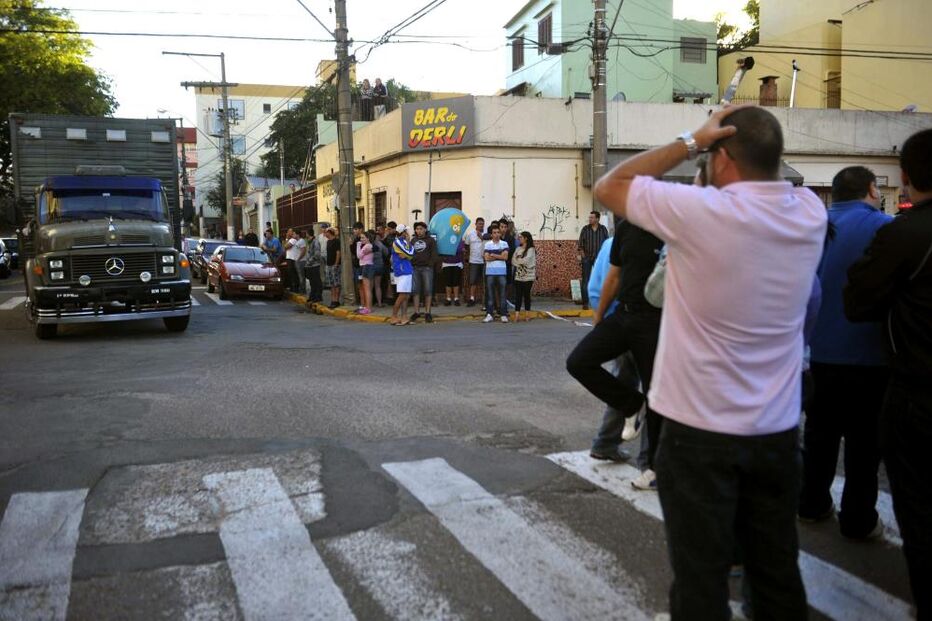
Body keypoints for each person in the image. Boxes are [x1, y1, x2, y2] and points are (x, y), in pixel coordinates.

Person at [594, 105, 826, 620]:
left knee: (700, 581)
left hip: (697, 434)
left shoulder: (699, 214)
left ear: (721, 158)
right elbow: (771, 187)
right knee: (777, 574)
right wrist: (712, 160)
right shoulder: (810, 212)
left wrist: (691, 141)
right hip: (776, 433)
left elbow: (610, 185)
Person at [845, 128, 932, 619]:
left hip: (916, 392)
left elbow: (857, 303)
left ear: (906, 176)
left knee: (918, 507)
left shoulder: (902, 233)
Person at [798, 166, 892, 539]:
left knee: (818, 434)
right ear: (871, 189)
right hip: (869, 355)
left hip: (815, 352)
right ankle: (857, 520)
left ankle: (811, 504)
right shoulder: (884, 227)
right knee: (864, 444)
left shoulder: (811, 227)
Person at [565, 215, 664, 478]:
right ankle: (630, 411)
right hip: (620, 316)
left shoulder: (670, 226)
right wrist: (599, 322)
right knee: (580, 362)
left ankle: (649, 465)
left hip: (653, 322)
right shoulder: (625, 229)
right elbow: (611, 277)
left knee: (652, 392)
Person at [577, 211, 609, 310]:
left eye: (592, 217)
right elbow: (580, 245)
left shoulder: (603, 229)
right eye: (589, 217)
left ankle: (602, 301)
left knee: (601, 279)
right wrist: (583, 257)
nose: (590, 219)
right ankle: (585, 303)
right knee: (585, 280)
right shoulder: (585, 229)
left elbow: (606, 243)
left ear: (597, 219)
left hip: (599, 259)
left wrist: (604, 257)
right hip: (587, 258)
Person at [410, 221, 438, 323]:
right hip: (415, 267)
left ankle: (427, 312)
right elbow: (410, 253)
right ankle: (416, 312)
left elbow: (434, 254)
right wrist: (412, 262)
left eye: (421, 229)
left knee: (428, 290)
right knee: (415, 290)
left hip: (427, 268)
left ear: (425, 230)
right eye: (417, 229)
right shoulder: (413, 240)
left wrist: (430, 264)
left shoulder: (430, 240)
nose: (419, 231)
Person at [483, 223, 510, 323]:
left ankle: (503, 314)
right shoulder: (487, 244)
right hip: (490, 272)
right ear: (491, 234)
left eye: (498, 232)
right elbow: (486, 258)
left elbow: (505, 257)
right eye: (494, 233)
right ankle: (489, 314)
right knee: (490, 294)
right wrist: (499, 255)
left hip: (501, 272)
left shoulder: (504, 244)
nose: (497, 234)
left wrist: (493, 254)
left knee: (502, 294)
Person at [390, 224, 414, 325]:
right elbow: (409, 254)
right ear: (402, 232)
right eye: (406, 231)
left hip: (407, 270)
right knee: (402, 294)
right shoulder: (397, 242)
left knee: (406, 295)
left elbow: (409, 254)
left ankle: (404, 317)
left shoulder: (404, 242)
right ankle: (394, 316)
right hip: (402, 270)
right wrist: (408, 254)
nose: (408, 233)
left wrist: (408, 253)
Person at [511, 231, 536, 320]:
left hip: (528, 276)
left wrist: (519, 260)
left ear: (526, 238)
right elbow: (513, 260)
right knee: (518, 295)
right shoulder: (518, 249)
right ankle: (517, 315)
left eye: (521, 237)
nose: (519, 239)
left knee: (526, 295)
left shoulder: (531, 250)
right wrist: (519, 261)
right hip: (518, 276)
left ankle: (527, 314)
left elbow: (527, 261)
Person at [464, 217, 486, 306]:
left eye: (482, 224)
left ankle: (484, 299)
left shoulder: (486, 234)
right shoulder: (470, 234)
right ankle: (472, 299)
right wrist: (468, 257)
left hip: (484, 261)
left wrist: (482, 238)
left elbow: (488, 245)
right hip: (473, 261)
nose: (481, 225)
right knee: (473, 281)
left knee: (485, 281)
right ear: (476, 224)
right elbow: (466, 246)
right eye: (479, 223)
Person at [440, 238, 466, 307]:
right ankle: (448, 298)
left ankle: (456, 298)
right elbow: (443, 250)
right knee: (448, 282)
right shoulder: (445, 239)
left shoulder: (460, 239)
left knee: (456, 281)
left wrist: (452, 250)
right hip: (447, 263)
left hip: (457, 263)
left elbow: (460, 249)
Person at [356, 230, 375, 315]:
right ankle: (368, 307)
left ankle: (368, 308)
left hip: (366, 266)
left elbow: (359, 256)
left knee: (367, 289)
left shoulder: (367, 246)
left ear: (368, 238)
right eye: (361, 238)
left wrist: (358, 245)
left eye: (363, 237)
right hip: (368, 266)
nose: (361, 239)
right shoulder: (369, 246)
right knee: (368, 289)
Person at [324, 228, 341, 309]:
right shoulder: (328, 242)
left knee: (336, 283)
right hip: (328, 264)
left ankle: (336, 300)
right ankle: (332, 300)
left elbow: (338, 253)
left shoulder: (336, 241)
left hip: (334, 265)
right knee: (331, 284)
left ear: (330, 233)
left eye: (326, 232)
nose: (325, 234)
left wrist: (336, 264)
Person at [305, 228, 324, 303]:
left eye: (306, 233)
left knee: (317, 281)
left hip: (315, 264)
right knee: (312, 282)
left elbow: (317, 254)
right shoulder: (309, 242)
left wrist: (310, 261)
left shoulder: (315, 242)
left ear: (308, 234)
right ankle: (312, 296)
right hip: (310, 265)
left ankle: (318, 296)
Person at [371, 230, 388, 307]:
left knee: (370, 287)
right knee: (378, 286)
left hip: (370, 266)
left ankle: (369, 303)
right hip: (379, 266)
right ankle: (379, 303)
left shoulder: (367, 244)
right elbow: (386, 252)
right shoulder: (379, 244)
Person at [293, 230, 308, 294]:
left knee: (301, 276)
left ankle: (303, 290)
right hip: (297, 261)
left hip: (301, 261)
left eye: (294, 234)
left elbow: (303, 251)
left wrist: (298, 259)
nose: (293, 235)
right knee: (299, 275)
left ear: (297, 234)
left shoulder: (302, 241)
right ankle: (301, 289)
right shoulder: (297, 241)